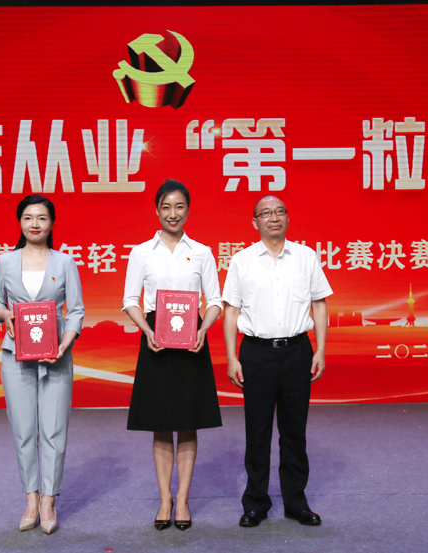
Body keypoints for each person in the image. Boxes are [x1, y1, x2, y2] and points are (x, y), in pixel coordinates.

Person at [221, 195, 332, 528]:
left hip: (297, 351)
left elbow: (319, 304)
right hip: (256, 354)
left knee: (294, 432)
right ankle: (256, 503)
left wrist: (320, 350)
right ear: (254, 222)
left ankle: (296, 503)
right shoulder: (241, 261)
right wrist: (231, 356)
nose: (274, 217)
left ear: (288, 218)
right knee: (257, 433)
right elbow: (231, 311)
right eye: (266, 213)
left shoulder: (306, 257)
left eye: (280, 211)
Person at [123, 179, 223, 531]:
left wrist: (203, 329)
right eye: (166, 207)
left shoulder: (202, 252)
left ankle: (183, 499)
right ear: (157, 210)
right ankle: (165, 498)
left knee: (188, 421)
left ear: (188, 210)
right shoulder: (141, 252)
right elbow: (130, 300)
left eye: (179, 206)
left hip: (192, 339)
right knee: (161, 423)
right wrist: (147, 330)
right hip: (156, 340)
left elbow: (215, 300)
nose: (173, 213)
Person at [0, 194, 84, 535]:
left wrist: (64, 343)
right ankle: (31, 498)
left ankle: (49, 500)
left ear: (51, 223)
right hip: (15, 355)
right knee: (24, 430)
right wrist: (5, 315)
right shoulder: (5, 261)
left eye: (42, 218)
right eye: (28, 217)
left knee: (54, 431)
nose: (34, 224)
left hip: (56, 356)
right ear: (20, 222)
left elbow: (76, 310)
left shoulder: (64, 262)